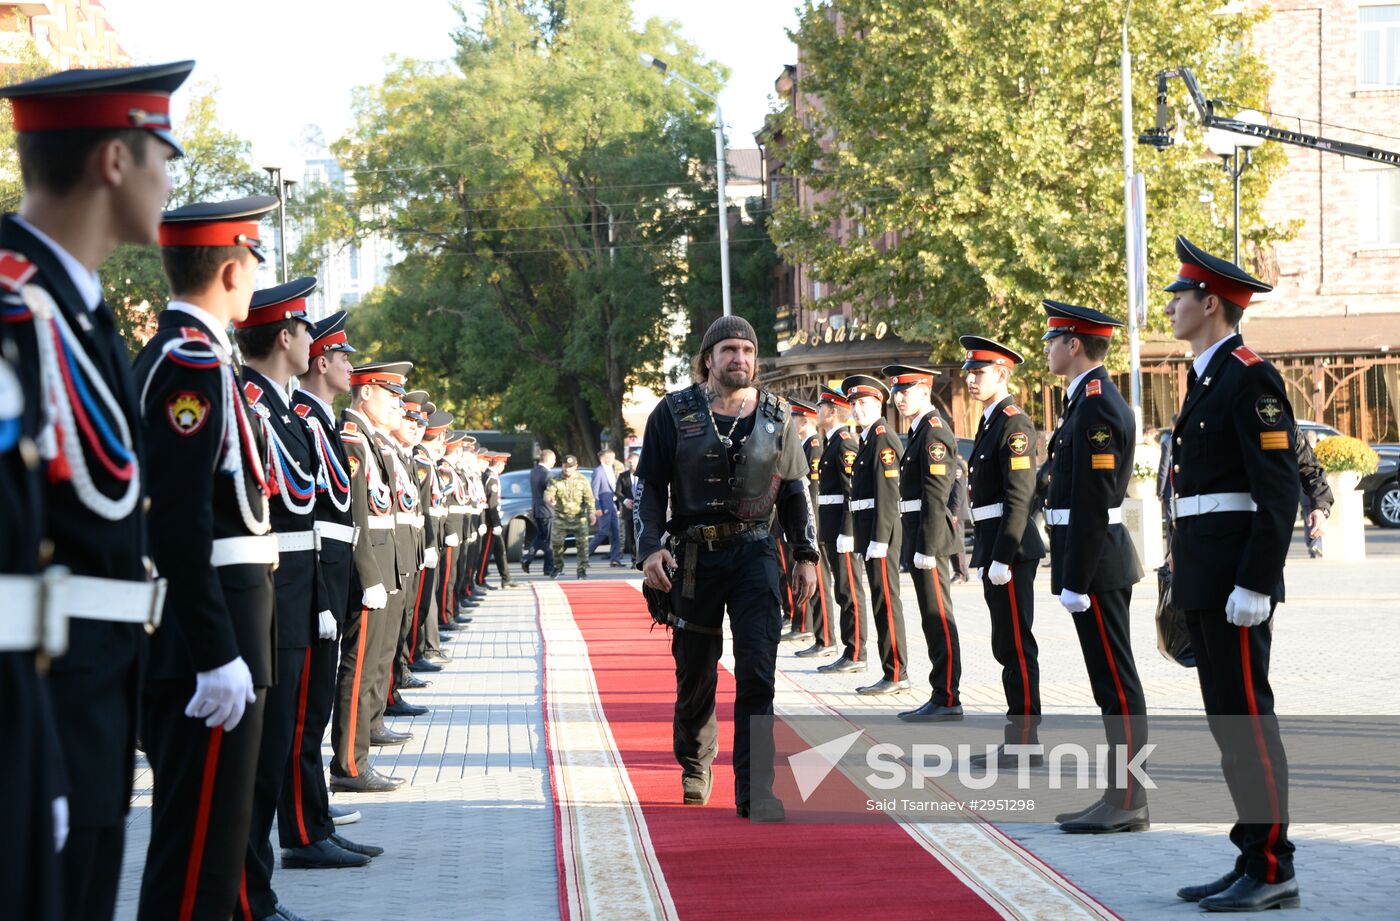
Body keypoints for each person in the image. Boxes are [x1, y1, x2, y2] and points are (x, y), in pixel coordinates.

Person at [0, 61, 191, 921]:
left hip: (94, 701)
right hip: (35, 707)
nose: (170, 182)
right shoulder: (16, 310)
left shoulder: (77, 310)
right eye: (164, 158)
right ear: (115, 160)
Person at [132, 196, 278, 921]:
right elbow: (178, 517)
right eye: (254, 264)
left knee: (216, 850)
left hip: (222, 621)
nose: (255, 280)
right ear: (230, 271)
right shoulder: (188, 361)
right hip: (209, 634)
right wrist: (216, 651)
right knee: (196, 860)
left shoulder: (199, 355)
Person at [1162, 236, 1300, 912]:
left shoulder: (1250, 377)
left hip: (1235, 584)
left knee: (1248, 723)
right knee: (1228, 727)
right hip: (1206, 576)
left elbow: (1278, 491)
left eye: (1179, 295)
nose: (1170, 306)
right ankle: (1251, 855)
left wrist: (1256, 581)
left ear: (1210, 303)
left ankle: (1274, 867)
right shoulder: (1207, 376)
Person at [636, 315, 818, 822]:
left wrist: (806, 554)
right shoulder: (672, 412)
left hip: (755, 555)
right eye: (729, 350)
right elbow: (648, 487)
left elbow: (796, 490)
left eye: (747, 350)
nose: (739, 358)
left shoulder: (778, 416)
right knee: (695, 670)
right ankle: (696, 764)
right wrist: (649, 549)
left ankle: (756, 789)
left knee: (758, 671)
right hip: (693, 559)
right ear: (708, 358)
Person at [1038, 301, 1150, 834]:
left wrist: (1076, 578)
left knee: (1117, 684)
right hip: (1091, 561)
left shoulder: (1098, 405)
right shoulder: (1083, 402)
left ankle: (1128, 800)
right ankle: (1119, 795)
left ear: (1074, 344)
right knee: (1109, 684)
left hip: (1098, 565)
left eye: (1052, 339)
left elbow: (1093, 499)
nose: (1047, 349)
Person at [283, 310, 383, 868]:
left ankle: (315, 821)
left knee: (315, 711)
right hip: (315, 580)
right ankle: (304, 832)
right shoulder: (303, 418)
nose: (350, 367)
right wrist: (324, 595)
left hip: (333, 575)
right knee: (305, 717)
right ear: (321, 363)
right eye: (343, 357)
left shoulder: (318, 421)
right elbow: (311, 520)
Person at [960, 335, 1045, 765]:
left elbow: (1020, 496)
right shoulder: (992, 420)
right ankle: (1019, 737)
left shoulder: (1013, 423)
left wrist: (1002, 556)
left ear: (1002, 374)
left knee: (1016, 646)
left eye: (979, 372)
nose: (971, 379)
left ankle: (1025, 740)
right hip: (993, 547)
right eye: (969, 373)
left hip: (1008, 552)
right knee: (1005, 645)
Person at [329, 361, 411, 794]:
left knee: (372, 665)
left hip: (383, 565)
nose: (397, 404)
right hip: (369, 571)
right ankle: (349, 765)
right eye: (390, 395)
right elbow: (356, 516)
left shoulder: (369, 439)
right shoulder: (352, 438)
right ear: (365, 393)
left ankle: (357, 759)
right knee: (357, 670)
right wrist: (368, 574)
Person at [883, 365, 963, 722]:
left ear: (925, 391)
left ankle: (947, 696)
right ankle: (940, 692)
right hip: (917, 535)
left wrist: (927, 547)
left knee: (938, 617)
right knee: (931, 619)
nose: (899, 398)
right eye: (896, 392)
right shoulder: (918, 431)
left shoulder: (934, 431)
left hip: (929, 540)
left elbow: (936, 495)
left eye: (906, 391)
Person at [841, 374, 909, 695]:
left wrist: (880, 539)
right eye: (854, 404)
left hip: (880, 536)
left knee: (886, 602)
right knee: (881, 601)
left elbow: (887, 493)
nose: (857, 410)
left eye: (864, 403)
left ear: (879, 404)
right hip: (869, 534)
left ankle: (896, 673)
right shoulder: (868, 439)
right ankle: (890, 671)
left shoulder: (882, 437)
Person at [813, 385, 870, 674]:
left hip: (841, 530)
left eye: (820, 407)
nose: (817, 411)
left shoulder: (845, 443)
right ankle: (850, 649)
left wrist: (848, 531)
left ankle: (857, 652)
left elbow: (851, 492)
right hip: (831, 527)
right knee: (841, 591)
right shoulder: (832, 442)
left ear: (833, 411)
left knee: (849, 591)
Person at [790, 397, 837, 658]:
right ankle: (819, 635)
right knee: (813, 584)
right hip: (811, 526)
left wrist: (810, 529)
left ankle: (826, 638)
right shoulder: (807, 446)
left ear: (803, 421)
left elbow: (814, 493)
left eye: (794, 419)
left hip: (815, 525)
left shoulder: (815, 447)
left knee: (820, 583)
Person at [546, 455, 594, 579]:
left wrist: (591, 513)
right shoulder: (555, 480)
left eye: (570, 467)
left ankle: (581, 570)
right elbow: (548, 494)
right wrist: (550, 500)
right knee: (556, 544)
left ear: (576, 467)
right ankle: (558, 567)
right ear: (562, 466)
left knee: (583, 545)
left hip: (579, 517)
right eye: (565, 466)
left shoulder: (582, 480)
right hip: (561, 518)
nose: (567, 469)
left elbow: (589, 498)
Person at [480, 452, 516, 587]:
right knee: (486, 552)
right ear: (500, 464)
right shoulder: (491, 478)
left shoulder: (489, 476)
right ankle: (480, 579)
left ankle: (506, 578)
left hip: (491, 520)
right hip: (490, 521)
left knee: (499, 550)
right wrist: (496, 524)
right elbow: (492, 503)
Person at [1295, 428, 1331, 558]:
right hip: (1311, 496)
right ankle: (1314, 544)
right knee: (1313, 522)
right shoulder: (1316, 452)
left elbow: (1310, 472)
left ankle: (1312, 545)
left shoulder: (1303, 450)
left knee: (1309, 522)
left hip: (1306, 497)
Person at [587, 447, 624, 566]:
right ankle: (584, 556)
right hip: (603, 506)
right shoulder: (598, 471)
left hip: (613, 506)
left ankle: (615, 559)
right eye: (608, 458)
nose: (610, 460)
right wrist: (597, 507)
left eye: (612, 458)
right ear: (601, 458)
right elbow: (594, 492)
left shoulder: (612, 469)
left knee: (616, 533)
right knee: (603, 532)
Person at [522, 449, 556, 575]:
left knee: (540, 537)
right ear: (549, 459)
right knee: (549, 540)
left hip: (537, 509)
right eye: (554, 459)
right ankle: (549, 568)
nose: (554, 462)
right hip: (547, 510)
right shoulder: (548, 474)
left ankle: (527, 558)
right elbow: (550, 494)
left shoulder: (534, 471)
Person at [616, 450, 640, 563]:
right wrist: (625, 500)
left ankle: (642, 557)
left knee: (642, 535)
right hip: (629, 511)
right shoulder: (623, 476)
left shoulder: (644, 475)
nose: (632, 465)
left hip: (642, 510)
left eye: (634, 462)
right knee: (630, 536)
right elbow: (617, 492)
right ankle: (634, 559)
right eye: (630, 462)